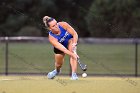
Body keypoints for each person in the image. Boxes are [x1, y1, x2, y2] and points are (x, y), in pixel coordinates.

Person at [43, 16, 79, 80]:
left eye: (56, 23)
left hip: (70, 41)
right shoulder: (52, 38)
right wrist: (73, 54)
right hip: (60, 47)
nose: (56, 26)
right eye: (53, 26)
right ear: (50, 28)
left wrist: (74, 43)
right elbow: (64, 50)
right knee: (58, 64)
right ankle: (57, 71)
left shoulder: (63, 24)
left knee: (72, 51)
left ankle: (74, 75)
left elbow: (74, 34)